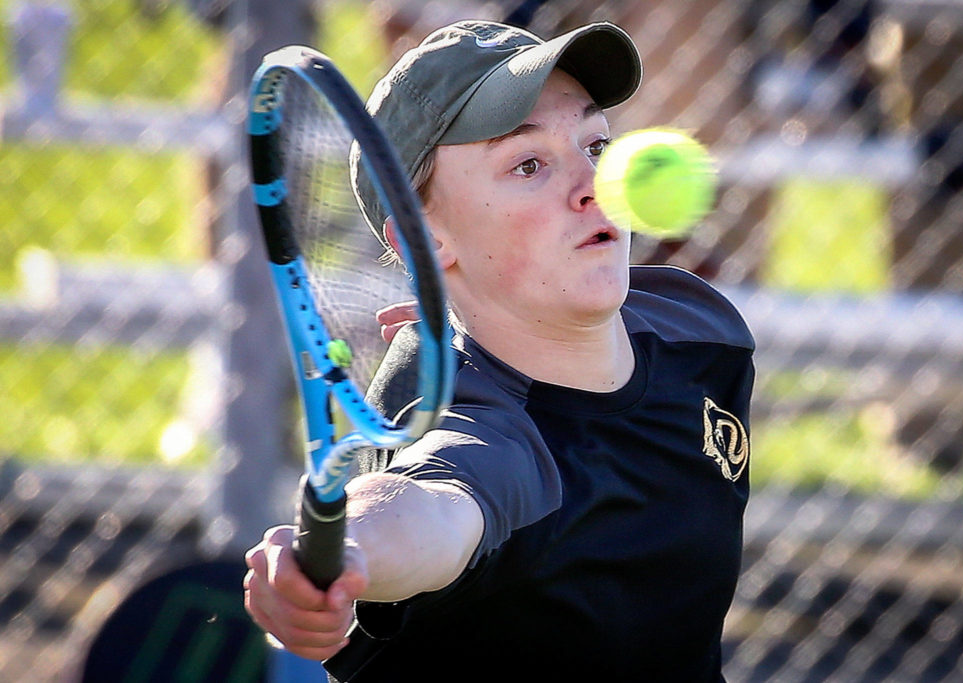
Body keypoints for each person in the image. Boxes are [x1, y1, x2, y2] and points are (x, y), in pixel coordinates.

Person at [243, 18, 755, 682]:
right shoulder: (487, 436)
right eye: (529, 164)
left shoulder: (700, 332)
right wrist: (344, 551)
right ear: (424, 244)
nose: (595, 186)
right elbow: (428, 506)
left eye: (596, 145)